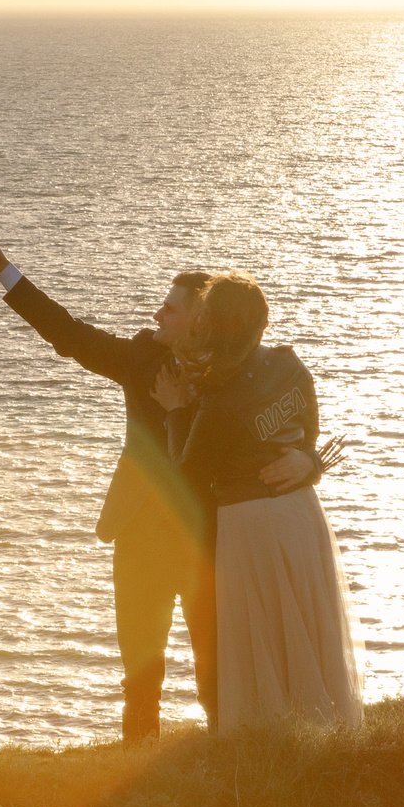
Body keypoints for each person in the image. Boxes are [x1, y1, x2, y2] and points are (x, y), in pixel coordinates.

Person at [0, 230, 314, 743]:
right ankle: (138, 771)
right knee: (141, 674)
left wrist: (309, 461)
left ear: (202, 320)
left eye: (168, 310)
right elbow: (69, 334)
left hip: (209, 542)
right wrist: (3, 270)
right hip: (140, 536)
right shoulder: (140, 360)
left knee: (217, 665)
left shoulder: (234, 379)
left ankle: (226, 760)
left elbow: (278, 444)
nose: (155, 317)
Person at [158, 272, 363, 732]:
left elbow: (186, 478)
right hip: (300, 513)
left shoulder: (220, 396)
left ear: (216, 324)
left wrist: (174, 413)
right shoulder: (291, 366)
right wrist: (309, 462)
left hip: (248, 524)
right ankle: (322, 730)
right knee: (307, 627)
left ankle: (269, 741)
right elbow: (308, 431)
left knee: (262, 640)